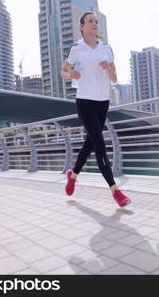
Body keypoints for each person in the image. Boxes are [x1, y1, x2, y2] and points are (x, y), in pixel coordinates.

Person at [60, 12, 131, 207]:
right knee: (100, 145)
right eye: (90, 21)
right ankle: (115, 191)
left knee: (89, 144)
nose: (94, 24)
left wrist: (109, 69)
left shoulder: (106, 49)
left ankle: (72, 176)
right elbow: (63, 72)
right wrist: (71, 74)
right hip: (85, 101)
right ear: (81, 26)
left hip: (103, 102)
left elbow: (114, 78)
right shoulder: (76, 49)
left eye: (96, 21)